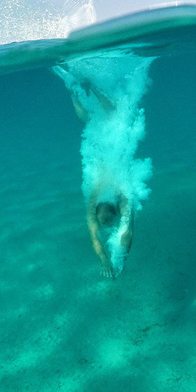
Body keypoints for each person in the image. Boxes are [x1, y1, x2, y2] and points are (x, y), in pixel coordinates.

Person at [54, 65, 136, 277]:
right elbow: (121, 234)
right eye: (107, 221)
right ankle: (86, 88)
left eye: (104, 222)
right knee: (108, 117)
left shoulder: (111, 200)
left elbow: (126, 232)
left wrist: (116, 260)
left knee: (93, 122)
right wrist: (107, 260)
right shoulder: (115, 198)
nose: (105, 224)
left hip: (100, 151)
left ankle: (77, 89)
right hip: (107, 150)